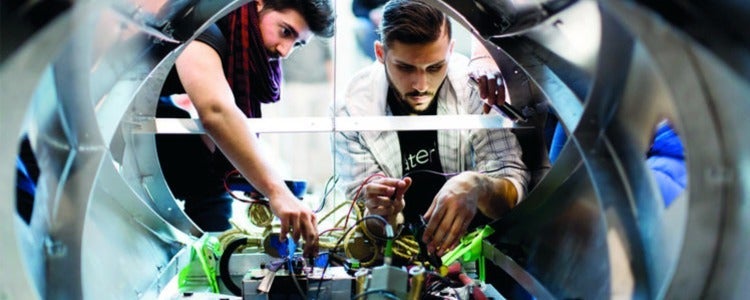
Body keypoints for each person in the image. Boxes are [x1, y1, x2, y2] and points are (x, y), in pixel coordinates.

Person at [334, 0, 529, 258]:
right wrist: (380, 214)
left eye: (435, 67)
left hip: (471, 257)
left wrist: (478, 186)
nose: (421, 84)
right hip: (394, 258)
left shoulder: (474, 90)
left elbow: (514, 190)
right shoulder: (352, 109)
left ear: (450, 50)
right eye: (405, 67)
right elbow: (367, 225)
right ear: (380, 54)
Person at [155, 0, 334, 257]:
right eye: (286, 31)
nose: (285, 51)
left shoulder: (238, 41)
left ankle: (215, 258)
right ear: (259, 3)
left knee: (213, 177)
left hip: (145, 112)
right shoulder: (204, 25)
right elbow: (217, 111)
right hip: (101, 120)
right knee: (210, 178)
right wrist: (277, 192)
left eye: (297, 44)